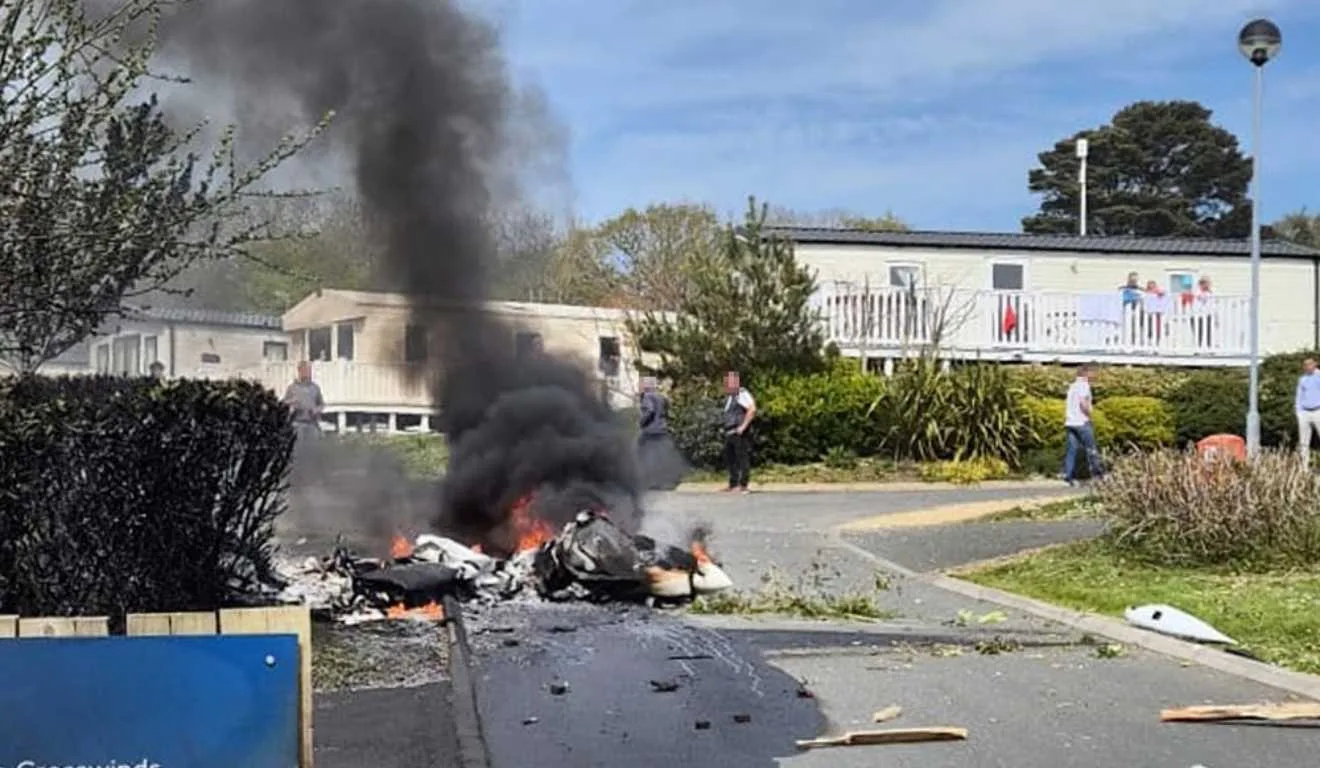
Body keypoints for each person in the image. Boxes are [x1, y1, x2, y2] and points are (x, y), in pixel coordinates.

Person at [636, 377, 681, 490]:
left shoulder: (647, 396)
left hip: (650, 430)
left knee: (641, 454)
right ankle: (667, 481)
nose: (640, 387)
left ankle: (648, 481)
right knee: (661, 456)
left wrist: (641, 422)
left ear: (646, 386)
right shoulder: (662, 397)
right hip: (662, 428)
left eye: (641, 384)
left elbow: (650, 410)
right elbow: (666, 411)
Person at [1062, 364, 1103, 485]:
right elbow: (1083, 403)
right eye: (1093, 373)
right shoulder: (1084, 385)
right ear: (1086, 373)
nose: (1095, 375)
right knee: (1091, 449)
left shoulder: (1072, 386)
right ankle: (1097, 475)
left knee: (1071, 450)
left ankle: (1068, 475)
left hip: (1070, 422)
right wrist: (1089, 415)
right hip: (1081, 422)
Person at [721, 371, 756, 494]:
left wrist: (743, 426)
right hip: (729, 431)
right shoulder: (729, 397)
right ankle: (733, 484)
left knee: (742, 458)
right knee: (731, 459)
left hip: (738, 431)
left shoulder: (741, 393)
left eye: (727, 383)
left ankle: (743, 485)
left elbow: (752, 409)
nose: (725, 385)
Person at [282, 361, 325, 440]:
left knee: (312, 449)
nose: (308, 373)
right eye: (305, 370)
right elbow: (284, 404)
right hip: (297, 424)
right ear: (299, 371)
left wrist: (316, 410)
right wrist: (291, 404)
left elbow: (322, 404)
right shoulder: (292, 388)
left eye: (309, 370)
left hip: (312, 424)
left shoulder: (315, 388)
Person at [1296, 358, 1320, 468]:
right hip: (1304, 412)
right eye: (1305, 364)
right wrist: (1298, 411)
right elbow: (1299, 396)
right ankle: (1304, 468)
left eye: (1310, 364)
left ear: (1315, 364)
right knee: (1304, 442)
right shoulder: (1303, 379)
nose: (1308, 366)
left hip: (1318, 411)